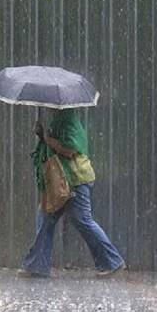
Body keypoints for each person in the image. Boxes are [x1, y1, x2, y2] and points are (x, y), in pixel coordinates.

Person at [21, 108, 125, 278]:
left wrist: (48, 139)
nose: (49, 107)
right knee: (46, 218)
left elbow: (71, 150)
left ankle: (112, 262)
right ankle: (37, 266)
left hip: (75, 180)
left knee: (82, 220)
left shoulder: (69, 121)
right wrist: (42, 136)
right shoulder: (59, 120)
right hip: (61, 182)